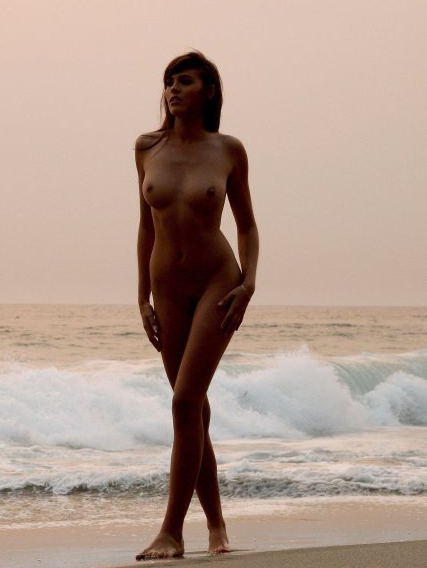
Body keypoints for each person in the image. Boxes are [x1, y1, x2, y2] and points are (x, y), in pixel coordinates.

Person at [134, 52, 259, 560]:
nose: (173, 89)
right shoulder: (147, 148)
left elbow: (247, 225)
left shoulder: (228, 150)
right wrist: (140, 296)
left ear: (209, 91)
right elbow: (145, 227)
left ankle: (171, 531)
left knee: (185, 403)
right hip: (165, 287)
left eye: (184, 81)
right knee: (194, 410)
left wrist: (249, 283)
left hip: (216, 283)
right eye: (169, 82)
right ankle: (216, 525)